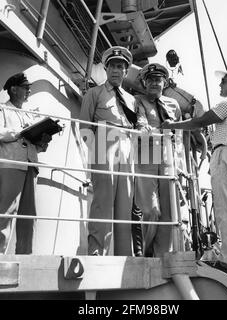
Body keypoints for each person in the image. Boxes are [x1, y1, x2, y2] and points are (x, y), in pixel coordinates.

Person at [162, 70, 227, 274]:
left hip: (226, 155)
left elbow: (200, 121)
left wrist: (171, 125)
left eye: (225, 81)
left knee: (225, 210)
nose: (220, 84)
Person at [79, 46, 137, 256]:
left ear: (126, 71)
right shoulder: (94, 93)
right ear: (105, 69)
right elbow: (84, 127)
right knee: (102, 202)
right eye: (112, 66)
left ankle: (124, 256)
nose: (116, 70)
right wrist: (96, 152)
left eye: (120, 66)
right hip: (104, 144)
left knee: (125, 203)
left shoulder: (131, 100)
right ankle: (96, 252)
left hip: (127, 147)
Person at [0, 72, 51, 254]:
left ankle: (25, 254)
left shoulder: (28, 113)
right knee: (7, 209)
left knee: (29, 214)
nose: (29, 90)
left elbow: (31, 144)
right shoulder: (3, 108)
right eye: (26, 87)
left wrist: (42, 140)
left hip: (30, 164)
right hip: (12, 162)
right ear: (14, 89)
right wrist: (19, 132)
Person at [135, 63, 182, 257]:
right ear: (145, 83)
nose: (154, 83)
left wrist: (180, 162)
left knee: (170, 211)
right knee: (150, 209)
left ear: (164, 82)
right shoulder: (137, 101)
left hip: (169, 157)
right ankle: (145, 253)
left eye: (158, 79)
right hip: (147, 154)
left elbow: (179, 134)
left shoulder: (174, 105)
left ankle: (162, 255)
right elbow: (141, 128)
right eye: (150, 80)